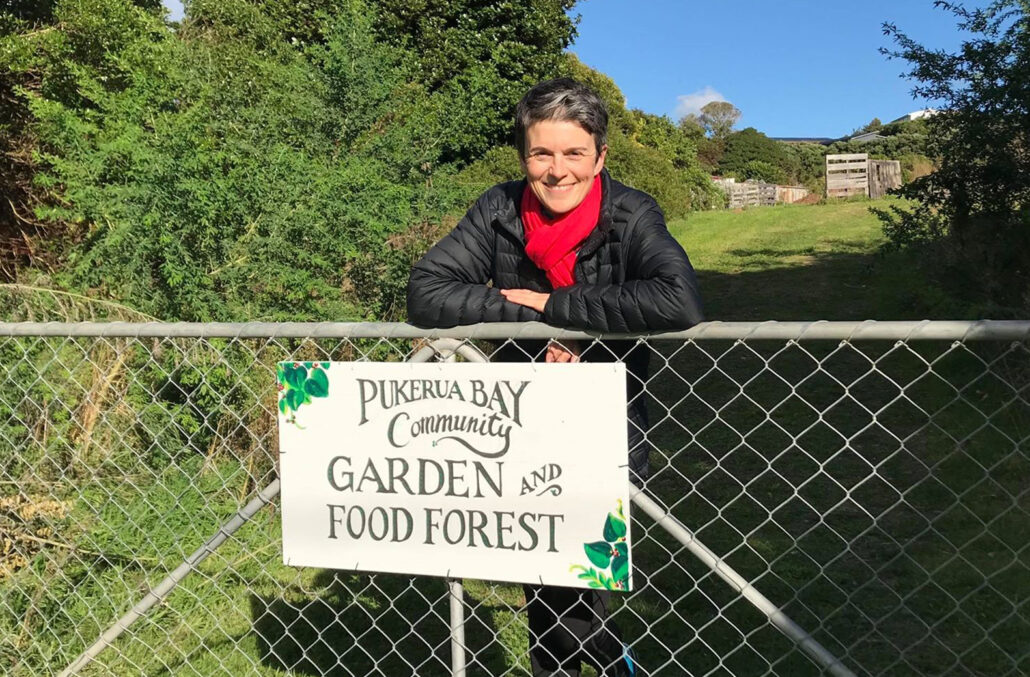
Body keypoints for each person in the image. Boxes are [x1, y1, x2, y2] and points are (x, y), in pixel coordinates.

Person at [407, 78, 703, 677]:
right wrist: (539, 320)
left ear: (600, 157)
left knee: (577, 582)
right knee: (540, 577)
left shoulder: (632, 213)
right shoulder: (498, 210)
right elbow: (427, 293)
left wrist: (558, 310)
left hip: (606, 421)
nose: (557, 170)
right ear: (524, 157)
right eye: (542, 153)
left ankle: (598, 667)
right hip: (513, 422)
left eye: (574, 153)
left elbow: (677, 300)